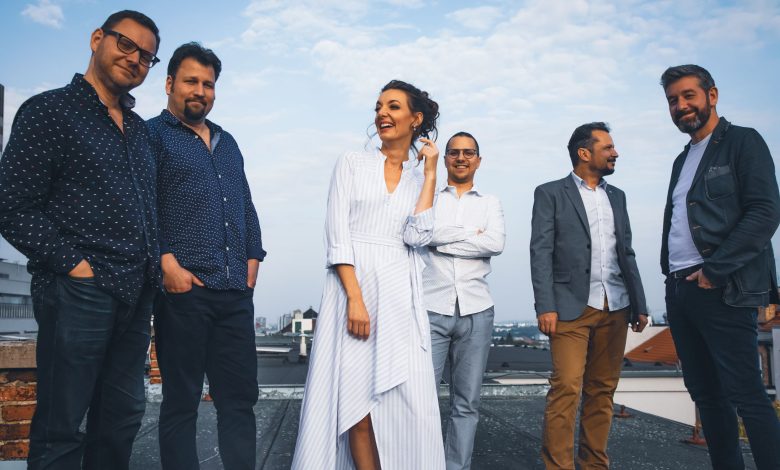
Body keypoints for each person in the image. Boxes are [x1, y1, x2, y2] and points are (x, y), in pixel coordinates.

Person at [0, 10, 161, 469]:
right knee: (62, 427)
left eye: (146, 56)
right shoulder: (49, 111)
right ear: (96, 39)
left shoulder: (140, 132)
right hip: (78, 292)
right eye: (126, 44)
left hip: (134, 295)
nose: (134, 59)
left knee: (122, 420)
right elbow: (11, 204)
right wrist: (76, 267)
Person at [291, 80, 445, 470]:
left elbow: (419, 236)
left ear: (416, 118)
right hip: (351, 291)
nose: (382, 114)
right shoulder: (351, 162)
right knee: (354, 402)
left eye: (393, 106)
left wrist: (430, 174)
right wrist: (355, 299)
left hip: (399, 295)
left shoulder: (419, 176)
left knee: (406, 405)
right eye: (378, 107)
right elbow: (337, 234)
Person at [147, 42, 265, 470]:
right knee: (181, 402)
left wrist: (253, 258)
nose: (200, 90)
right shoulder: (150, 136)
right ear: (169, 84)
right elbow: (143, 207)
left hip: (234, 292)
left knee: (239, 401)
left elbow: (244, 203)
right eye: (191, 81)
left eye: (208, 84)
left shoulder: (227, 142)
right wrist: (167, 263)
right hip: (185, 292)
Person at [660, 64, 780, 469]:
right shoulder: (682, 159)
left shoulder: (743, 142)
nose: (680, 105)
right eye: (673, 100)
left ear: (712, 95)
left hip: (722, 287)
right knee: (707, 396)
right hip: (680, 289)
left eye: (688, 95)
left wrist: (716, 270)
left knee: (747, 395)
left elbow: (765, 212)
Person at [530, 122, 648, 469]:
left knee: (602, 390)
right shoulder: (550, 193)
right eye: (608, 147)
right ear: (584, 153)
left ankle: (594, 464)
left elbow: (626, 252)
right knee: (566, 387)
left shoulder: (618, 196)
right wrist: (545, 305)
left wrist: (640, 304)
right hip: (569, 307)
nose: (615, 153)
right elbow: (541, 251)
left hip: (617, 305)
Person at [423, 131, 505, 470]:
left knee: (467, 402)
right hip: (430, 308)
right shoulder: (427, 197)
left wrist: (440, 240)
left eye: (468, 152)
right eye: (454, 152)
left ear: (478, 160)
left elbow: (495, 243)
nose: (461, 158)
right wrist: (472, 234)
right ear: (445, 159)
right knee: (422, 401)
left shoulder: (490, 202)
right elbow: (422, 234)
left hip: (477, 311)